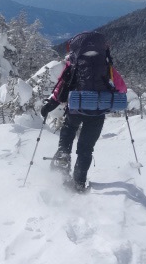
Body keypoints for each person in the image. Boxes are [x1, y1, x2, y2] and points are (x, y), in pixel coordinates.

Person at [40, 31, 127, 192]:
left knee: (68, 133)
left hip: (75, 109)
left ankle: (63, 159)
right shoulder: (106, 66)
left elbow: (61, 86)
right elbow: (122, 88)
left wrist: (51, 103)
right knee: (85, 150)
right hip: (97, 113)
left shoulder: (74, 64)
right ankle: (79, 185)